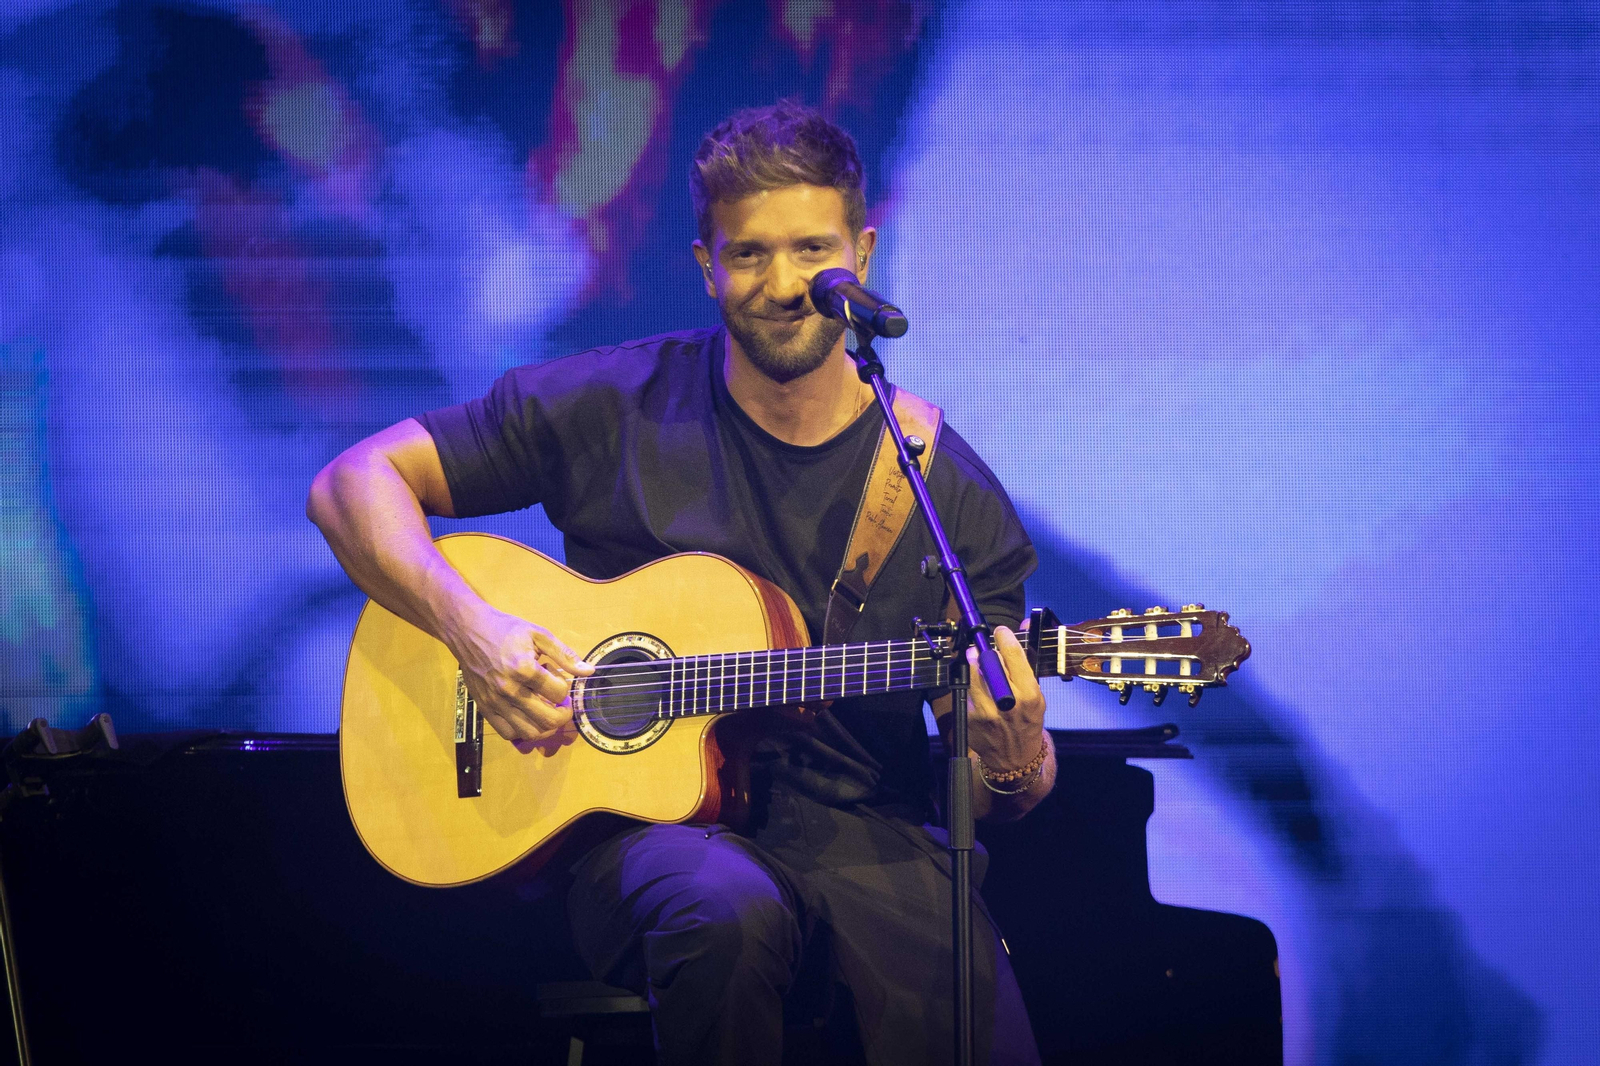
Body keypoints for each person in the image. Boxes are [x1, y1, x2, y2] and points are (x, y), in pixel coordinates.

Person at [307, 101, 1053, 1066]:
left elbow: (1008, 782)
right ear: (707, 266)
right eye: (749, 255)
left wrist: (1012, 759)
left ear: (862, 255)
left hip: (870, 834)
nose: (784, 285)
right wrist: (473, 633)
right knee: (722, 910)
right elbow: (350, 485)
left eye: (813, 252)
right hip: (645, 833)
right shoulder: (610, 403)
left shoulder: (938, 481)